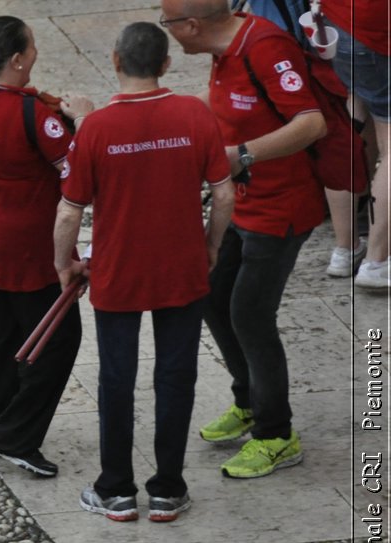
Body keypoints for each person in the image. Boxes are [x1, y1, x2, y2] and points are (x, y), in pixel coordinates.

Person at [56, 22, 235, 523]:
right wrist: (212, 246)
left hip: (119, 271)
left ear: (115, 61)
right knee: (176, 376)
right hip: (182, 267)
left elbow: (69, 210)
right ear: (165, 65)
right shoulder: (194, 115)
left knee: (117, 378)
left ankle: (114, 489)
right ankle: (168, 489)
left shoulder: (95, 128)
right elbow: (224, 193)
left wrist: (63, 263)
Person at [160, 0, 326, 479]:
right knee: (213, 295)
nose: (165, 31)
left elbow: (312, 122)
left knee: (250, 315)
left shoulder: (266, 47)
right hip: (241, 203)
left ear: (191, 25)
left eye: (166, 22)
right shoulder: (220, 50)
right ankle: (250, 400)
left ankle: (277, 436)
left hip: (281, 210)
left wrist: (243, 156)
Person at [0, 16, 94, 479]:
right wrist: (85, 120)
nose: (35, 55)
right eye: (31, 49)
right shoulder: (33, 116)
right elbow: (79, 175)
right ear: (16, 59)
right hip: (30, 247)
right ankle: (15, 436)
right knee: (57, 340)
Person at [244, 0, 369, 277]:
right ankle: (347, 246)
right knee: (340, 139)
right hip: (319, 52)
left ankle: (346, 240)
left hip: (279, 51)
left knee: (335, 137)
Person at [321, 0, 391, 288]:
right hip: (378, 32)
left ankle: (346, 249)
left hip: (339, 25)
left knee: (354, 121)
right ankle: (377, 262)